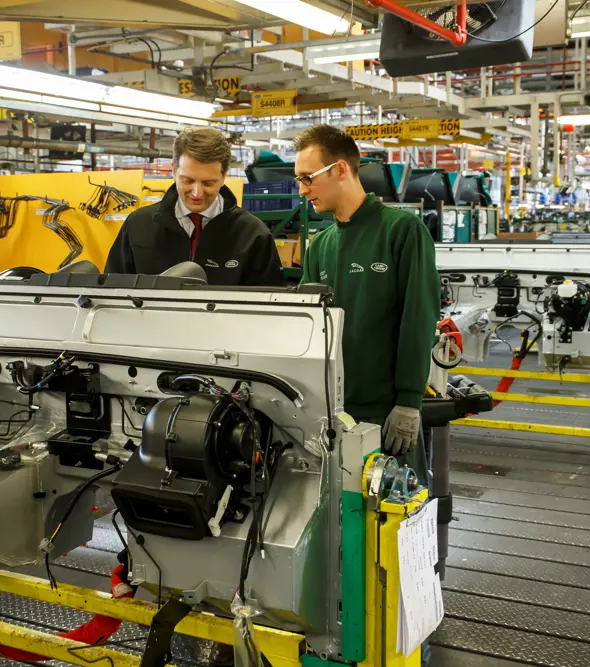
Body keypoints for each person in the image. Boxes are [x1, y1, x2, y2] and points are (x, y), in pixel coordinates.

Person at [294, 123, 439, 666]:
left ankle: (406, 640)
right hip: (334, 415)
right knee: (341, 530)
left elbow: (417, 318)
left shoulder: (402, 232)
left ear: (341, 170)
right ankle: (346, 637)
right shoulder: (322, 243)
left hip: (386, 412)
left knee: (401, 533)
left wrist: (408, 401)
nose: (302, 189)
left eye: (307, 178)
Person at [105, 127, 284, 286]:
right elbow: (112, 292)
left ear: (224, 176)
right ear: (174, 170)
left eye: (208, 183)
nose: (197, 193)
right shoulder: (138, 226)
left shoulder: (253, 235)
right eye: (188, 180)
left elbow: (269, 306)